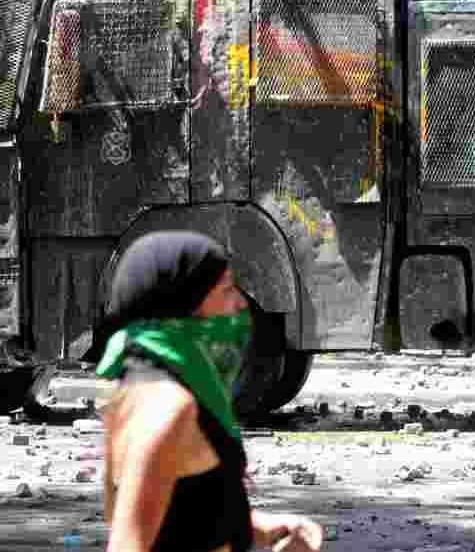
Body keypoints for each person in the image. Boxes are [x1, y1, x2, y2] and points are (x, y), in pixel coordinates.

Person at [92, 231, 323, 552]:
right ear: (185, 302)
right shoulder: (169, 407)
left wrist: (262, 528)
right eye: (226, 290)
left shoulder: (139, 384)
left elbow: (180, 512)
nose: (240, 304)